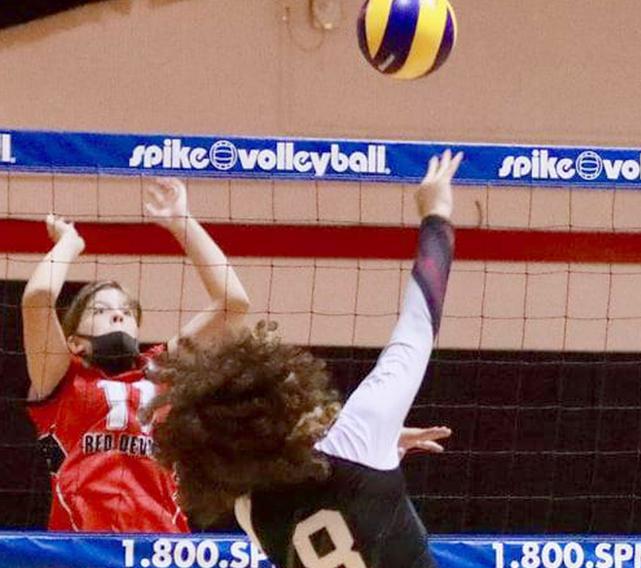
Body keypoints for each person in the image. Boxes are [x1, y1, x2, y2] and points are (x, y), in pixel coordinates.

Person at [145, 150, 462, 567]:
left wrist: (379, 445)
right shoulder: (357, 433)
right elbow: (418, 325)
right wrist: (436, 215)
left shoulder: (250, 512)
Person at [21, 177, 251, 532]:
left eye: (127, 311)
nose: (118, 314)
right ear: (75, 342)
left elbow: (232, 304)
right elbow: (37, 298)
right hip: (81, 553)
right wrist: (69, 243)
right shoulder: (61, 375)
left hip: (158, 550)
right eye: (101, 310)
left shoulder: (160, 368)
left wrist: (181, 221)